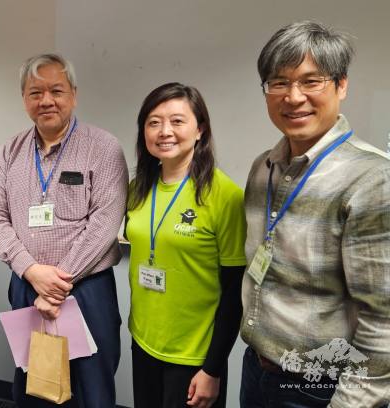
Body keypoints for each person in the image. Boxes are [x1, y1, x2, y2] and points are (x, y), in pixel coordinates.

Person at [240, 21, 390, 407]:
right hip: (257, 368)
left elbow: (384, 321)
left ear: (341, 85)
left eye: (311, 81)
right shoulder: (264, 168)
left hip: (319, 387)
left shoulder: (372, 178)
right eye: (279, 82)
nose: (293, 97)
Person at [0, 53, 128, 407]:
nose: (46, 100)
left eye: (56, 90)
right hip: (25, 285)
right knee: (37, 385)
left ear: (73, 95)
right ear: (24, 99)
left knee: (92, 391)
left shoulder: (103, 148)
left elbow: (105, 223)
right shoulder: (9, 152)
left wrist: (56, 285)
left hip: (87, 290)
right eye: (35, 93)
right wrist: (32, 272)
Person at [125, 83, 246, 408]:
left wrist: (213, 368)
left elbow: (235, 291)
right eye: (153, 122)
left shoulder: (224, 196)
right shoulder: (137, 189)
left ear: (200, 130)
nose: (164, 131)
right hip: (144, 340)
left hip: (194, 356)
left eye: (177, 121)